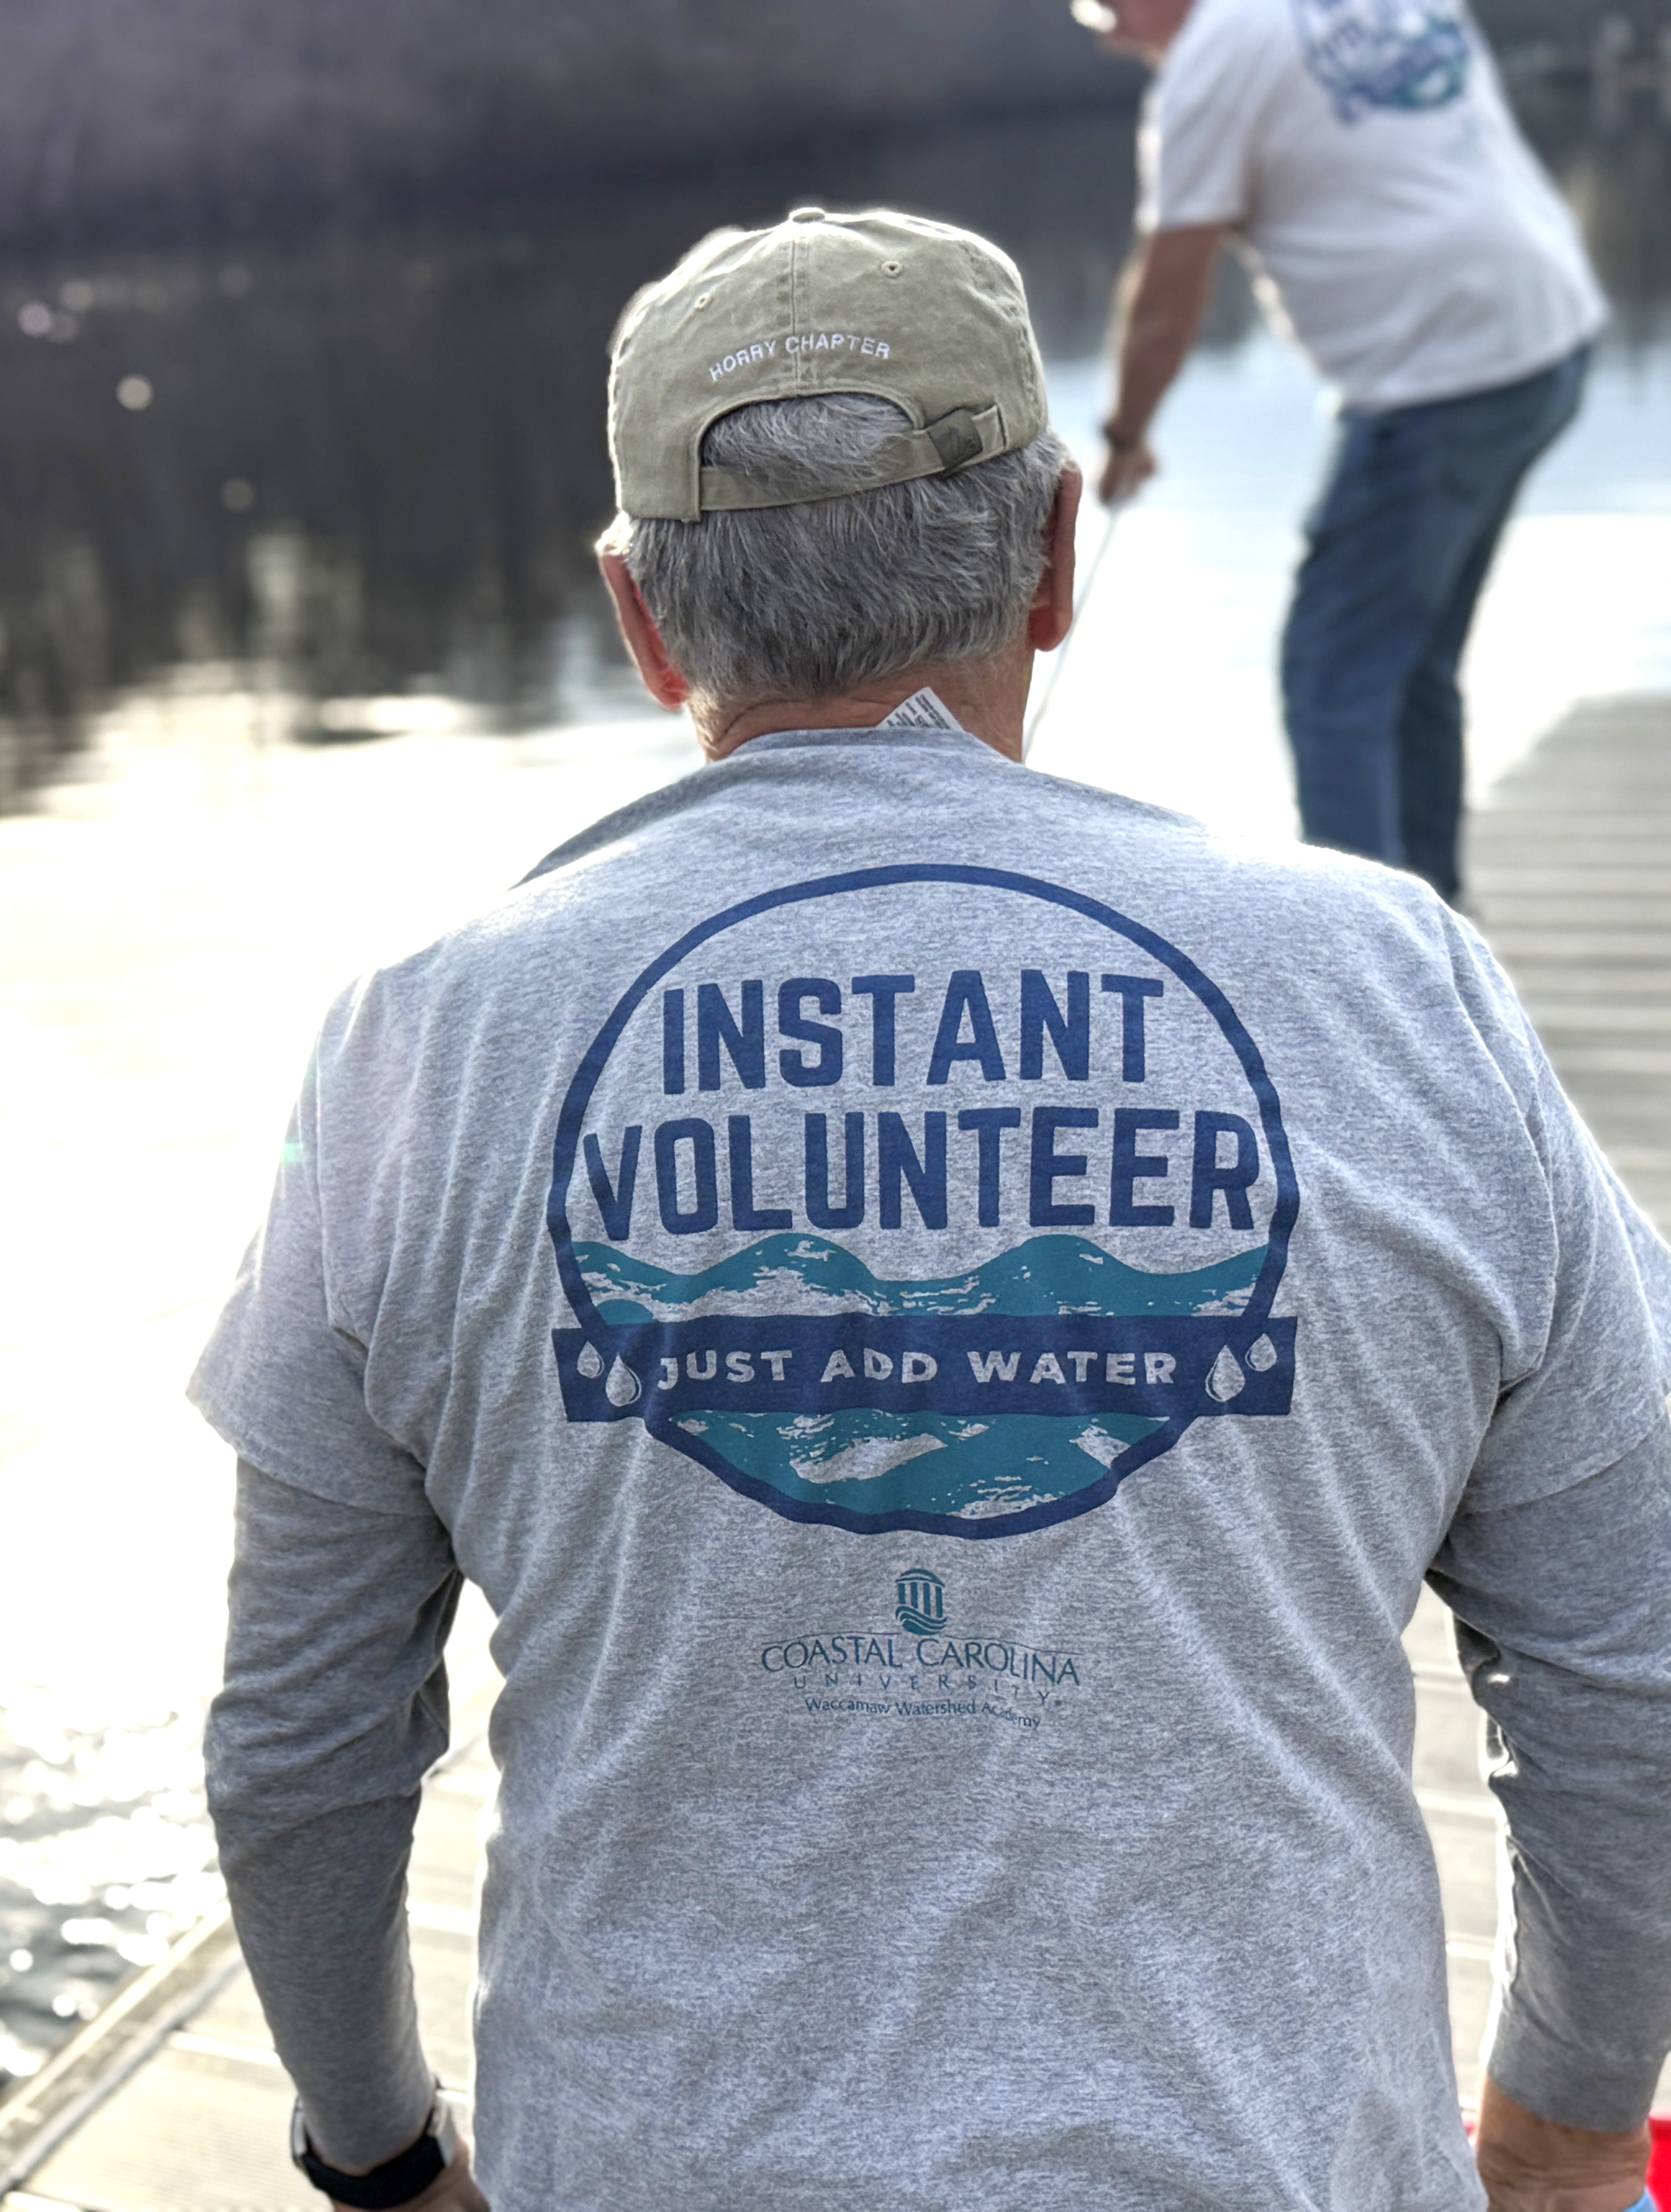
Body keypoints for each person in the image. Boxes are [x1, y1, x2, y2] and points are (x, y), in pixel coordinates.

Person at [194, 205, 1671, 2212]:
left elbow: (300, 1748)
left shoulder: (409, 1056)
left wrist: (373, 2152)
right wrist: (1573, 2132)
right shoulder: (1395, 993)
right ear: (1058, 559)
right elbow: (1633, 1658)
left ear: (641, 622)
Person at [1084, 0, 1606, 905]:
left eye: (1102, 4)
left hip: (1441, 378)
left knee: (1332, 679)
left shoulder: (1214, 59)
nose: (1107, 32)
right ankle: (1436, 921)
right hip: (1546, 341)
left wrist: (1126, 436)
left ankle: (1372, 976)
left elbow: (1168, 304)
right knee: (1409, 660)